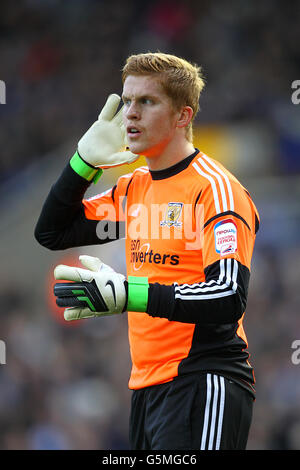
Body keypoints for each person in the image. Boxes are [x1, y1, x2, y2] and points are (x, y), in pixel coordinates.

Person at [35, 52, 260, 450]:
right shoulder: (135, 187)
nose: (130, 115)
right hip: (146, 388)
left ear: (183, 117)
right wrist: (83, 164)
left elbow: (228, 295)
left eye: (147, 102)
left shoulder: (215, 190)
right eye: (127, 101)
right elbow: (53, 231)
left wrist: (128, 294)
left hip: (204, 380)